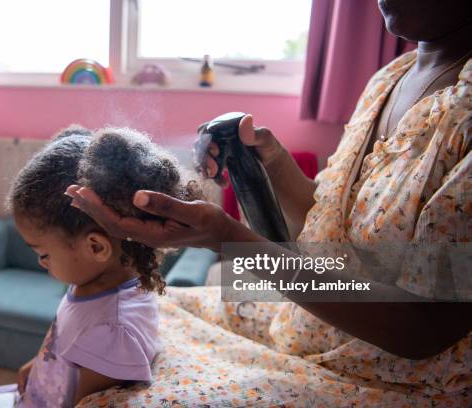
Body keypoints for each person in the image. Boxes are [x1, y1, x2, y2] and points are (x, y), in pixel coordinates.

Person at [65, 0, 472, 405]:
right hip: (309, 328)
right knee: (126, 318)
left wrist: (229, 239)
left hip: (399, 379)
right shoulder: (389, 78)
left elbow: (425, 328)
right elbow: (332, 222)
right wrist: (271, 161)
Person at [0, 126, 202, 408]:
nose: (41, 262)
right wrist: (39, 365)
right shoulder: (92, 285)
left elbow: (88, 403)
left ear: (95, 247)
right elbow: (68, 345)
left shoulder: (112, 331)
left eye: (44, 254)